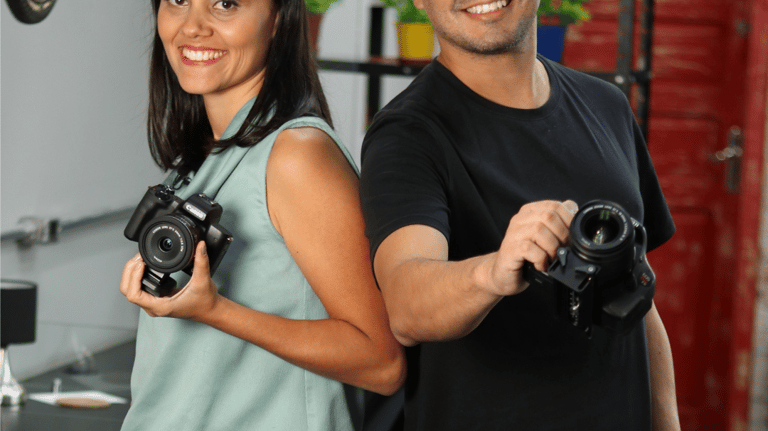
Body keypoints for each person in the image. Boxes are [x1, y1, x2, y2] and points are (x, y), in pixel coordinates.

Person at [359, 0, 681, 429]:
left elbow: (639, 295)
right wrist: (492, 272)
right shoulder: (406, 135)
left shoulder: (607, 106)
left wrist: (667, 423)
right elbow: (406, 306)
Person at [119, 0, 405, 430]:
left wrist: (216, 310)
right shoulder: (196, 160)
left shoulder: (297, 156)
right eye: (177, 0)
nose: (192, 26)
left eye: (225, 4)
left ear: (277, 20)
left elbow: (381, 362)